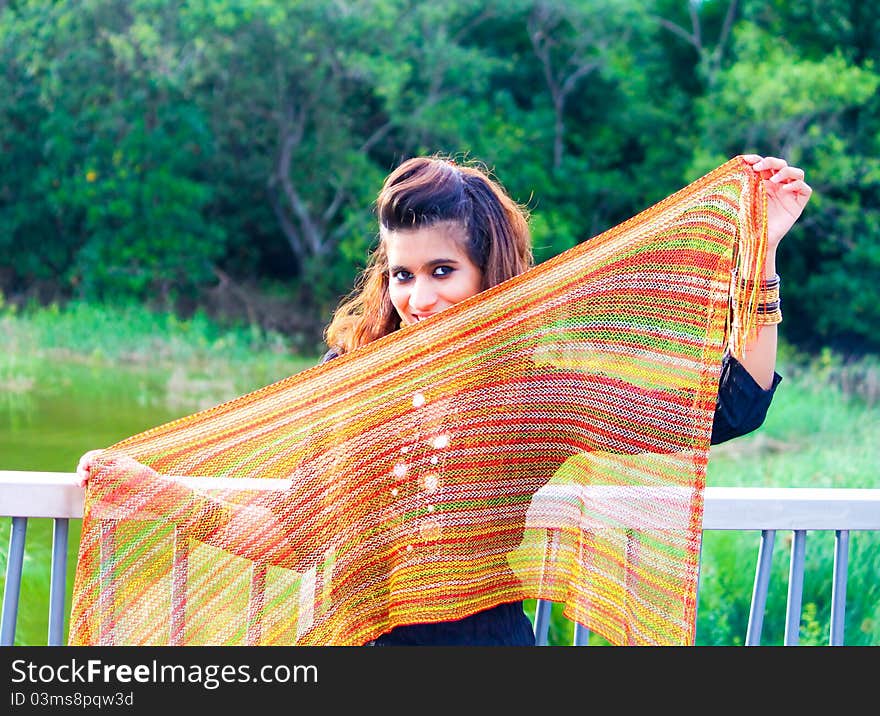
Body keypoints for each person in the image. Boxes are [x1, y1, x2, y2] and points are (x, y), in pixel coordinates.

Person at [78, 153, 812, 646]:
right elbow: (296, 536)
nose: (418, 298)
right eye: (402, 275)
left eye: (440, 270)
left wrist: (763, 251)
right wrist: (156, 492)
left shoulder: (533, 393)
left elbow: (733, 406)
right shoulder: (357, 379)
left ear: (489, 273)